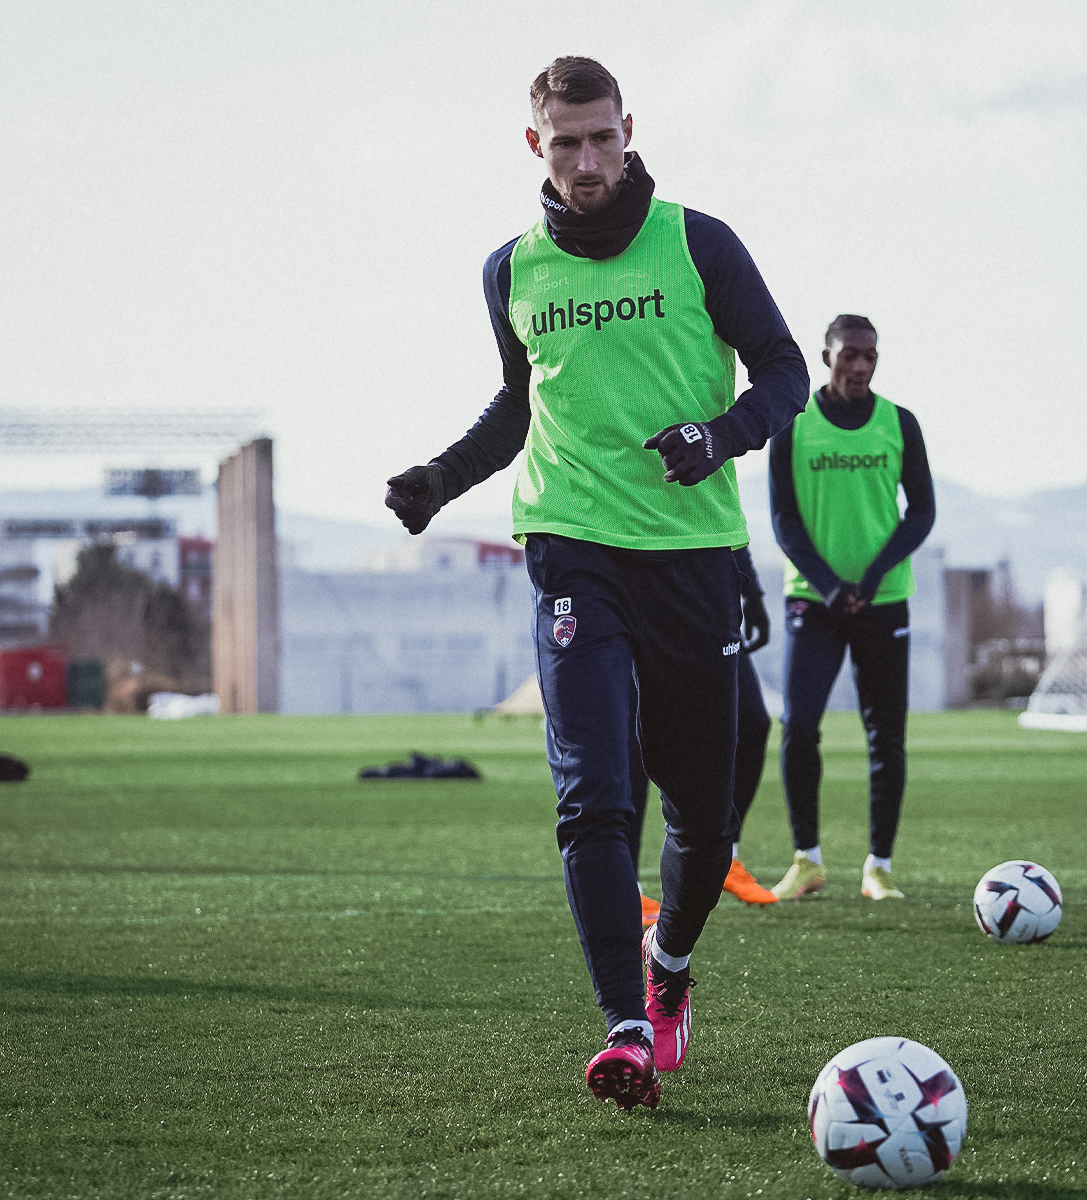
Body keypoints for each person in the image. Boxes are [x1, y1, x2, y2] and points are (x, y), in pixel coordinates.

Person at [384, 58, 807, 1111]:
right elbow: (517, 410)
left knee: (702, 822)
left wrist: (721, 436)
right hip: (571, 547)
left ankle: (667, 968)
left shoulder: (699, 243)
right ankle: (623, 1024)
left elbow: (785, 373)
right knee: (593, 797)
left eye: (599, 139)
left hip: (690, 557)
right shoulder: (511, 271)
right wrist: (442, 478)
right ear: (536, 145)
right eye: (563, 143)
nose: (583, 161)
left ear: (629, 131)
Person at [768, 315, 935, 903]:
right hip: (814, 602)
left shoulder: (900, 424)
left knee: (886, 737)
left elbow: (921, 513)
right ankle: (806, 860)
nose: (860, 367)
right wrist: (831, 585)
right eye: (849, 357)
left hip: (883, 601)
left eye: (870, 357)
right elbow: (783, 520)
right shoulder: (794, 426)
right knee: (798, 727)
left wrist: (869, 576)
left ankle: (879, 868)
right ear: (826, 358)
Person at [633, 545, 778, 927]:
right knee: (631, 738)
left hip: (706, 580)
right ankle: (623, 885)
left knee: (752, 723)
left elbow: (727, 510)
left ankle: (724, 857)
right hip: (637, 576)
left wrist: (754, 592)